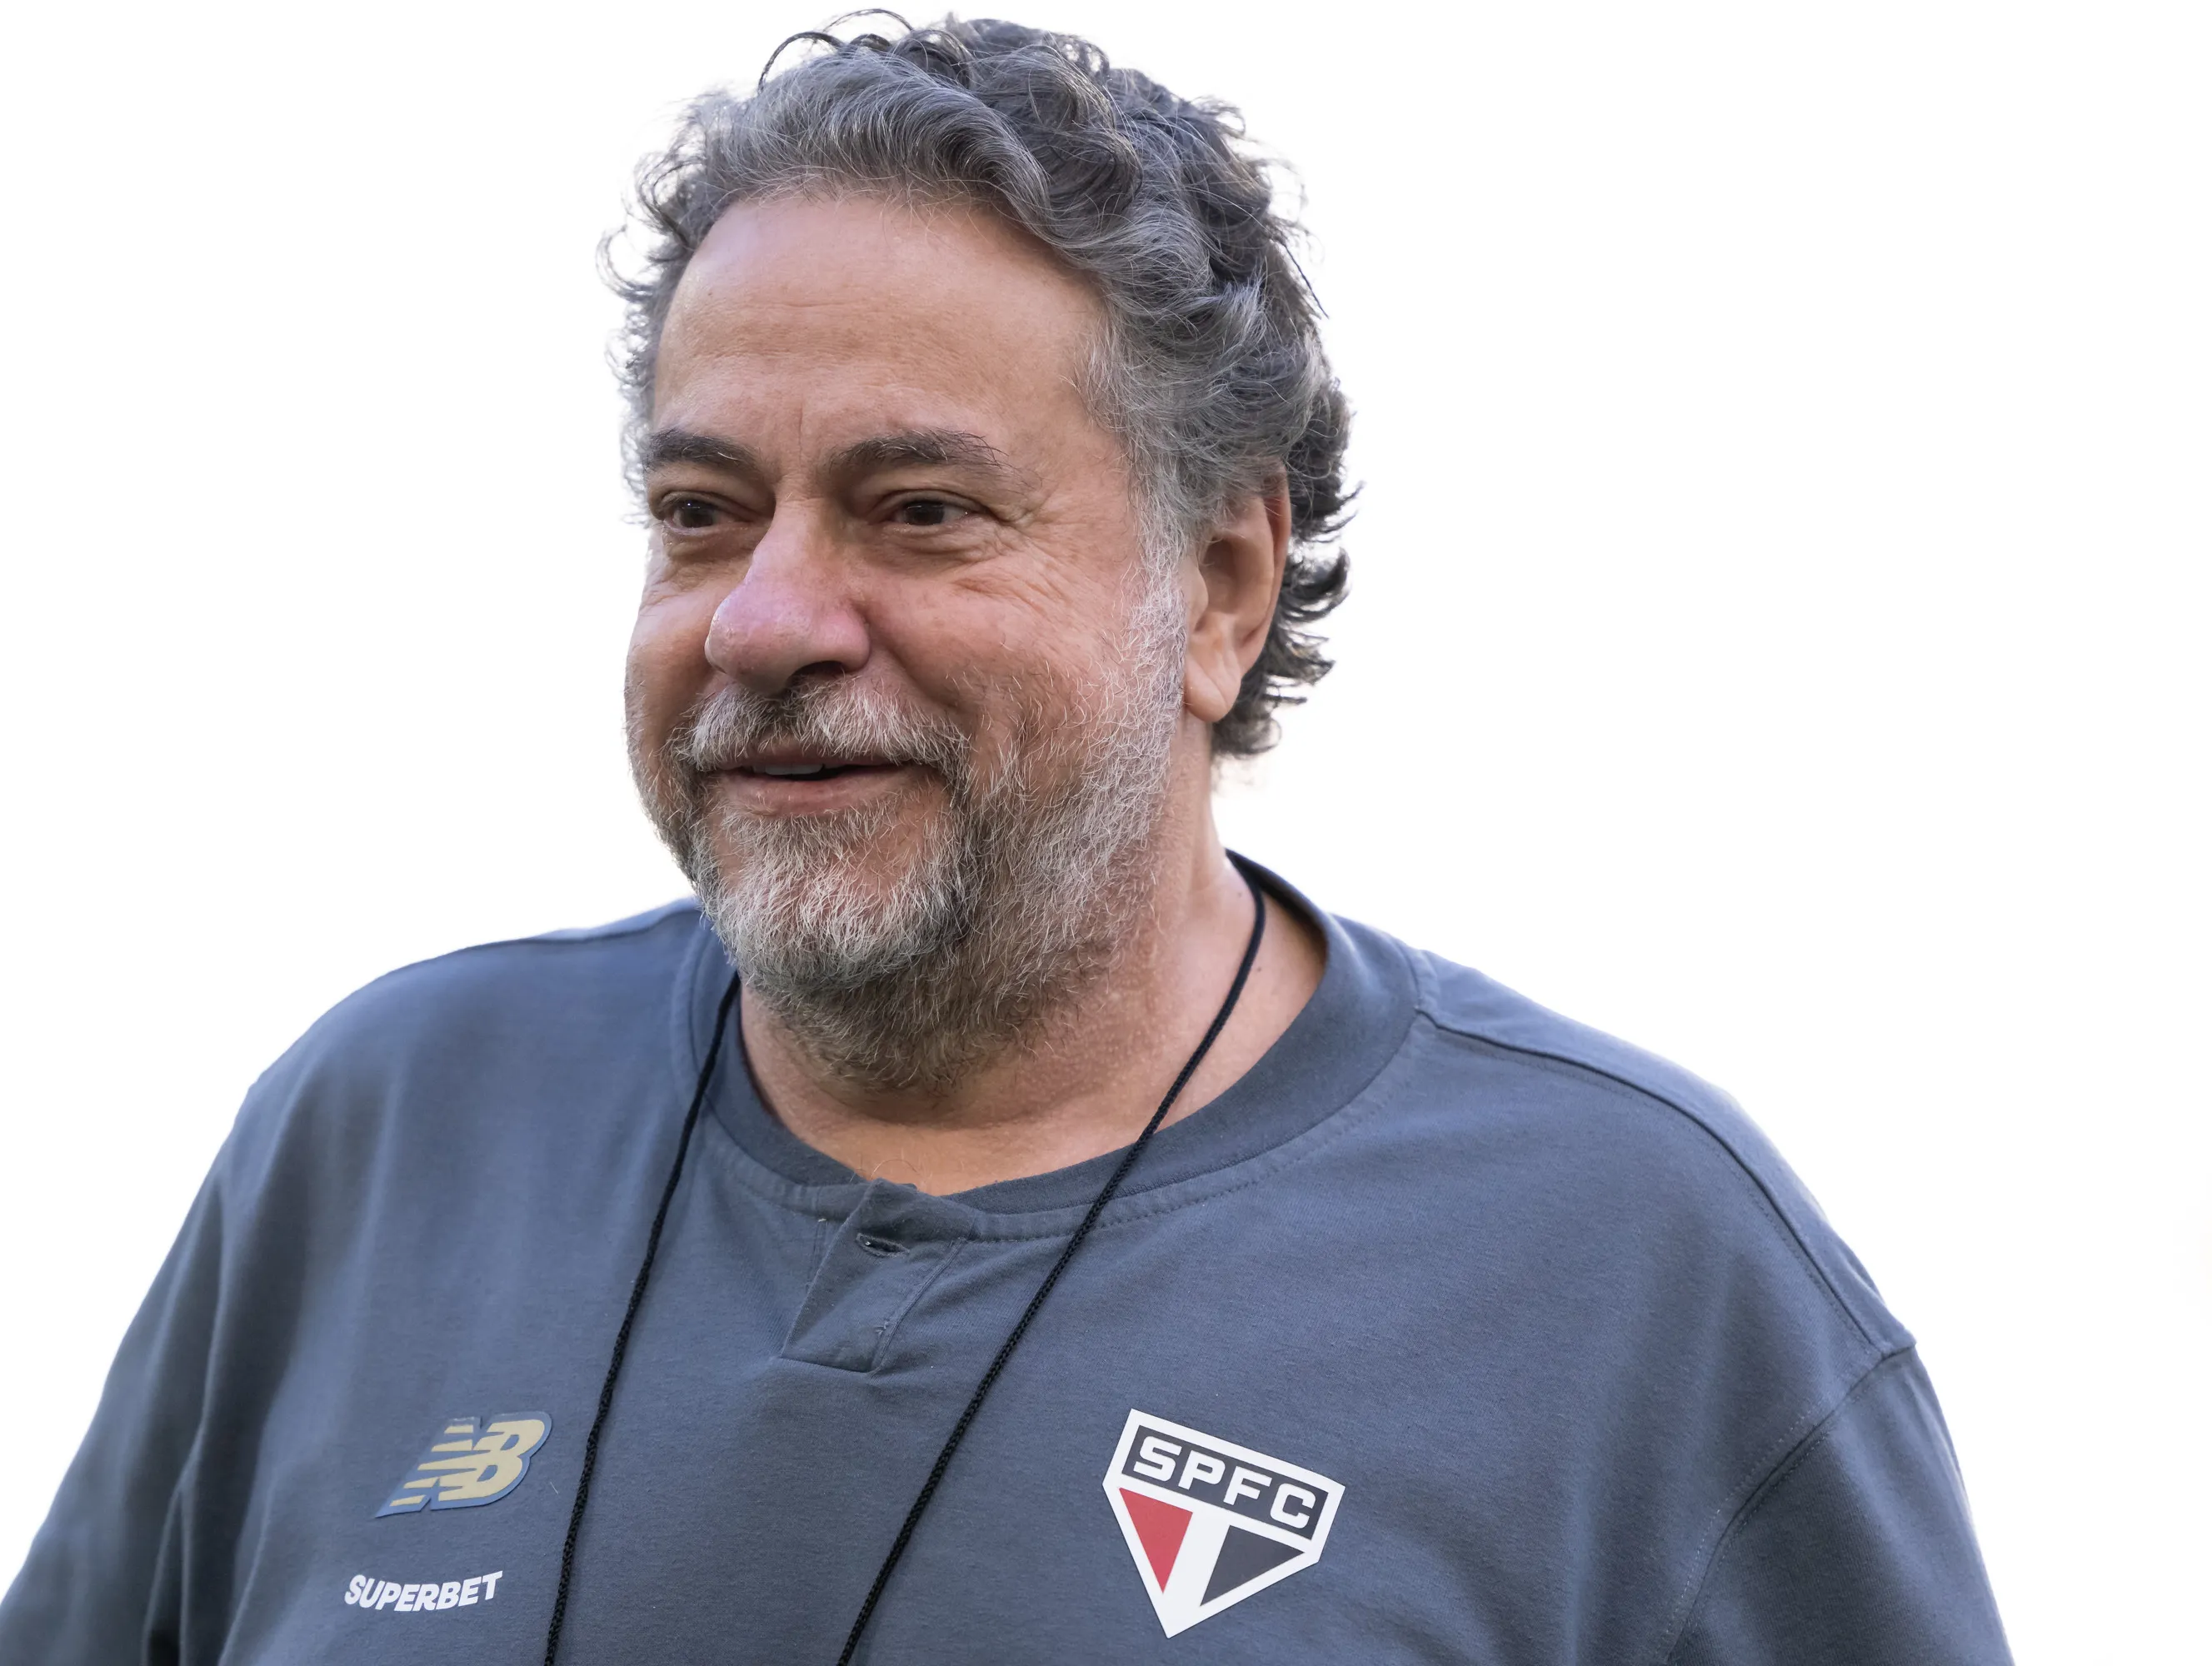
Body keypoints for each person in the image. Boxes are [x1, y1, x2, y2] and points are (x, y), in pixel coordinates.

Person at [0, 17, 2013, 1663]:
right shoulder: (391, 1131)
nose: (767, 619)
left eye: (921, 511)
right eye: (703, 512)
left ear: (1219, 589)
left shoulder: (1634, 1274)